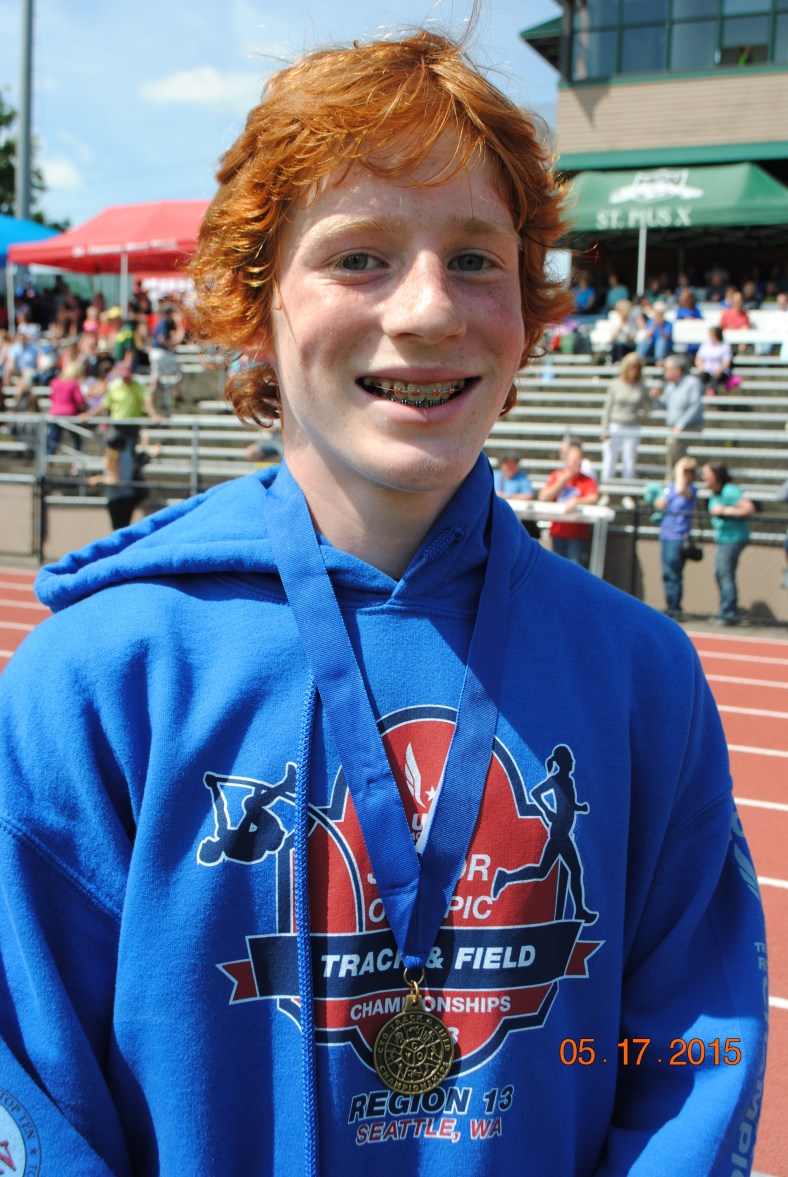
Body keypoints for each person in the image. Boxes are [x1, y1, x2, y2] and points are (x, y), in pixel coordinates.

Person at [0, 28, 767, 1177]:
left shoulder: (639, 673)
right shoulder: (103, 679)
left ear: (525, 317)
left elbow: (684, 1059)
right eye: (358, 257)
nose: (425, 312)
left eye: (475, 258)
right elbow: (32, 1088)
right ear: (254, 308)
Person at [702, 461, 756, 625]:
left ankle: (728, 613)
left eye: (707, 473)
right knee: (720, 574)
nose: (703, 477)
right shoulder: (715, 492)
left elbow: (749, 508)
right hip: (723, 539)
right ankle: (725, 610)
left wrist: (725, 510)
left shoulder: (729, 491)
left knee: (724, 574)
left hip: (733, 539)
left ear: (716, 475)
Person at [538, 440, 600, 565]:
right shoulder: (557, 476)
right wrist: (562, 481)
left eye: (580, 460)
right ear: (567, 460)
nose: (578, 463)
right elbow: (543, 497)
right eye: (575, 460)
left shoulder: (587, 480)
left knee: (574, 565)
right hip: (558, 531)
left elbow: (593, 497)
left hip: (577, 533)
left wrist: (576, 501)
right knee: (556, 566)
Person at [653, 456, 698, 619]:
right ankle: (669, 605)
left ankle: (675, 606)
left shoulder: (691, 489)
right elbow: (659, 503)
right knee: (666, 572)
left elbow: (681, 490)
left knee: (674, 571)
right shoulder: (670, 487)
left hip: (678, 535)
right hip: (665, 533)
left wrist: (679, 470)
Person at [651, 353, 704, 479]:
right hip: (676, 429)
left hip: (692, 427)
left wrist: (681, 424)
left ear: (677, 370)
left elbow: (695, 406)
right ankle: (679, 476)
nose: (665, 373)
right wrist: (656, 398)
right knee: (673, 443)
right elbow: (664, 405)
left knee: (672, 442)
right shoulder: (670, 386)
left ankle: (674, 477)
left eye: (667, 369)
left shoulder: (692, 383)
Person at [599, 352, 650, 481]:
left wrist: (644, 415)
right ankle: (606, 491)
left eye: (637, 367)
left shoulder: (642, 387)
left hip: (632, 427)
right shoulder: (616, 384)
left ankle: (627, 492)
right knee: (610, 459)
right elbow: (607, 408)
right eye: (632, 367)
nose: (635, 371)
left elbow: (649, 404)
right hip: (615, 425)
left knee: (629, 461)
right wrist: (604, 428)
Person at [493, 451, 539, 538]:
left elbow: (529, 495)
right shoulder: (494, 475)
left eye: (514, 464)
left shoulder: (521, 477)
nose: (511, 468)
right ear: (501, 465)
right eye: (508, 465)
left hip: (518, 519)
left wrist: (509, 496)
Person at [694, 326, 733, 397]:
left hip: (720, 371)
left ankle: (711, 393)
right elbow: (698, 358)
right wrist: (701, 367)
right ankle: (697, 393)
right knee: (700, 377)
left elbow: (726, 362)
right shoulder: (705, 345)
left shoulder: (725, 346)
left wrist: (720, 369)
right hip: (706, 370)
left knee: (715, 377)